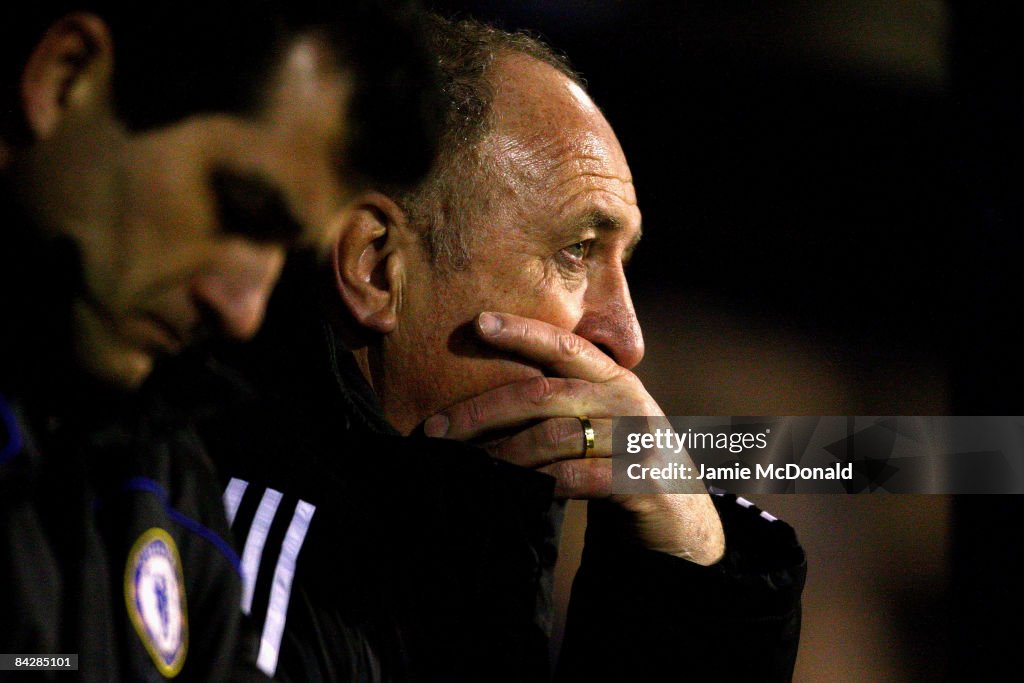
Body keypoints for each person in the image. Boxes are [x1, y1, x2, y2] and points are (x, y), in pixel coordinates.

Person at [208, 15, 805, 682]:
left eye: (623, 261)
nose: (627, 340)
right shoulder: (239, 588)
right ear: (377, 268)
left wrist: (692, 588)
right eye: (577, 251)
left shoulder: (461, 567)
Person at [0, 2, 438, 680]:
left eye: (284, 255)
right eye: (239, 209)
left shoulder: (165, 473)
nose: (243, 312)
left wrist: (658, 557)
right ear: (65, 79)